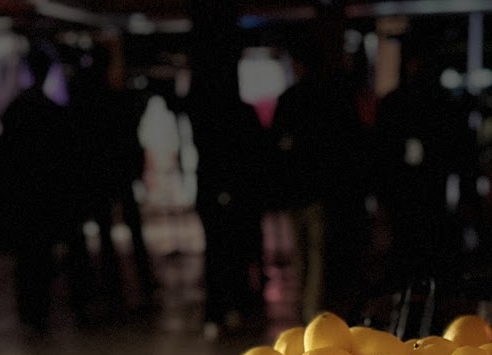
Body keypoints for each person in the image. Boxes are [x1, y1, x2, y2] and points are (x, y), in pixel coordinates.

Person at [271, 41, 367, 321]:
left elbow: (277, 148)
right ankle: (311, 312)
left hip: (300, 191)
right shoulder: (332, 99)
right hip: (320, 191)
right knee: (316, 256)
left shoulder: (291, 99)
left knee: (304, 256)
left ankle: (307, 313)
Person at [0, 44, 74, 332]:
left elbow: (4, 159)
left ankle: (32, 312)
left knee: (29, 258)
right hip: (41, 196)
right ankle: (36, 311)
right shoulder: (48, 111)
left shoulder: (18, 110)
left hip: (26, 197)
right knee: (38, 256)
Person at [374, 46, 467, 288]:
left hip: (429, 191)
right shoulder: (396, 103)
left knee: (426, 249)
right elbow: (381, 151)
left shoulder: (439, 104)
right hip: (404, 193)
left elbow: (456, 150)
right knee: (406, 249)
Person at [72, 56, 158, 312]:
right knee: (127, 230)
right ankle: (137, 281)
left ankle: (117, 285)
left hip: (103, 175)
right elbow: (130, 138)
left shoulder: (90, 106)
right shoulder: (115, 101)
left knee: (110, 233)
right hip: (115, 174)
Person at [189, 76, 269, 337]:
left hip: (225, 195)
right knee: (228, 253)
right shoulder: (233, 114)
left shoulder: (208, 115)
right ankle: (228, 308)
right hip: (229, 195)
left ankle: (227, 308)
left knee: (222, 253)